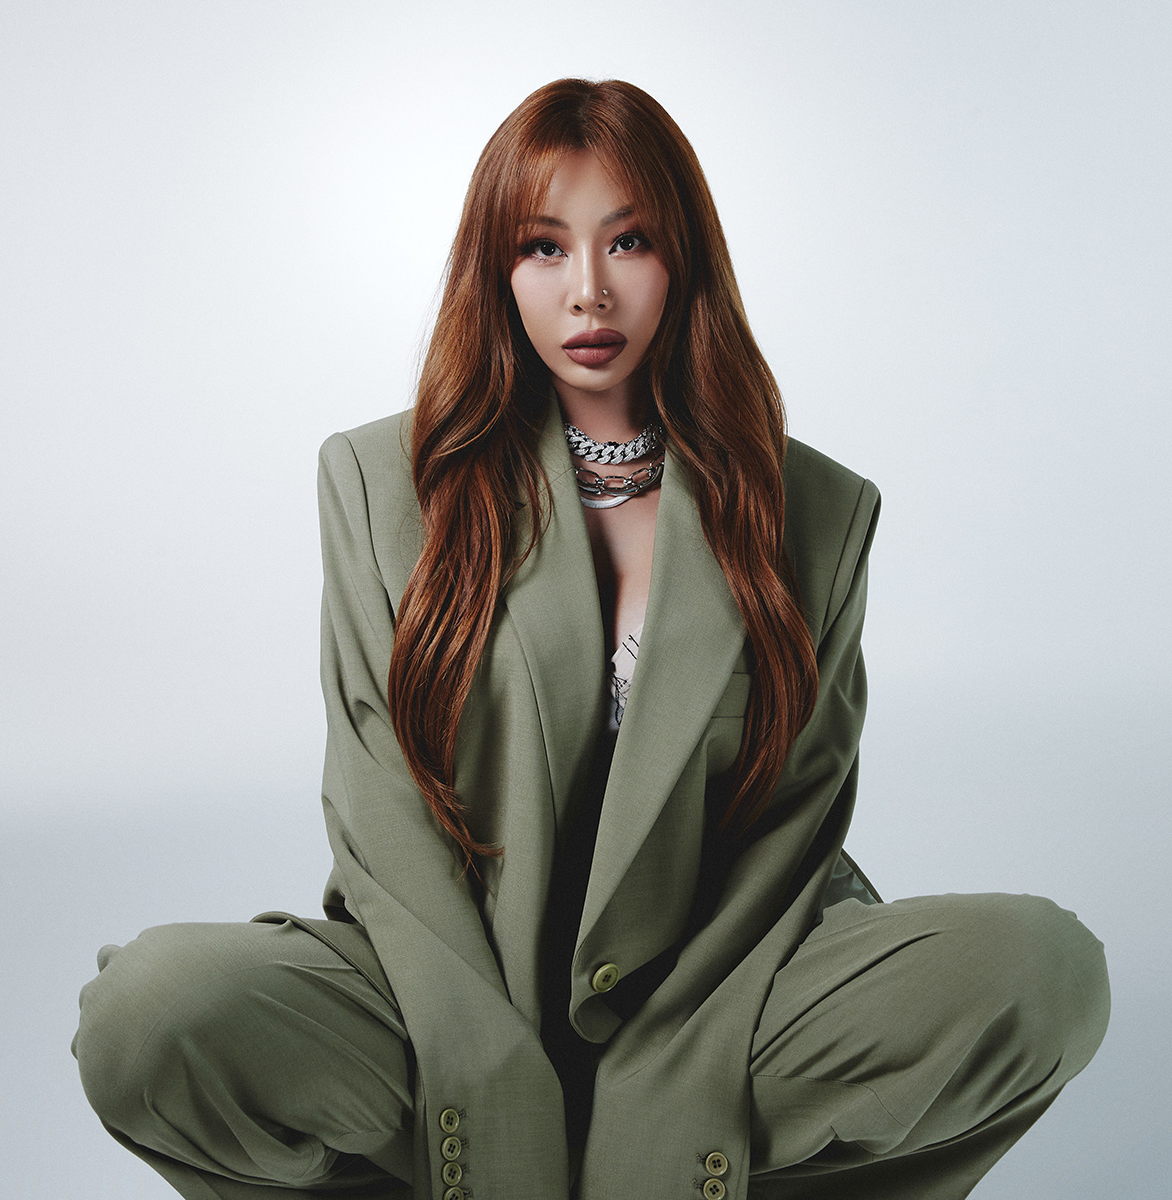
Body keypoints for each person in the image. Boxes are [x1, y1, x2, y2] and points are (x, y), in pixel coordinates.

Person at [73, 78, 1109, 1200]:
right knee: (150, 1012)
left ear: (684, 259)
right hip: (434, 1000)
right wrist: (490, 1087)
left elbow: (788, 839)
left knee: (1043, 970)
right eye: (543, 247)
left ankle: (679, 1148)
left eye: (629, 242)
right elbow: (383, 823)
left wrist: (666, 1093)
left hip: (728, 1001)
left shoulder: (817, 510)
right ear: (497, 270)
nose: (589, 290)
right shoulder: (380, 483)